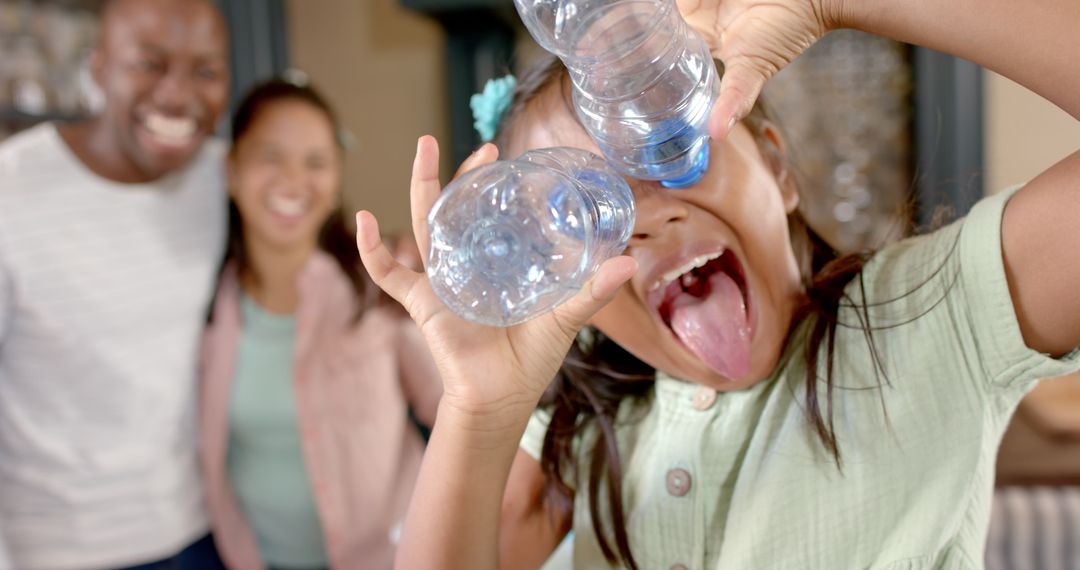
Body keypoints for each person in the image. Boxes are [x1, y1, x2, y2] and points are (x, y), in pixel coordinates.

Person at [353, 0, 1080, 567]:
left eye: (670, 149)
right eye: (581, 219)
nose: (633, 220)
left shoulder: (930, 315)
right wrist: (478, 409)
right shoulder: (581, 438)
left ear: (778, 167)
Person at [0, 0, 230, 567]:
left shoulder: (223, 175)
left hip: (202, 532)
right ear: (99, 68)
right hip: (57, 551)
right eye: (148, 64)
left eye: (205, 70)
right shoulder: (12, 191)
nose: (177, 96)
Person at [199, 79, 441, 570]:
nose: (293, 180)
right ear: (231, 172)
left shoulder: (378, 291)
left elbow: (456, 407)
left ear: (335, 182)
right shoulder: (203, 304)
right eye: (271, 157)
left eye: (315, 162)